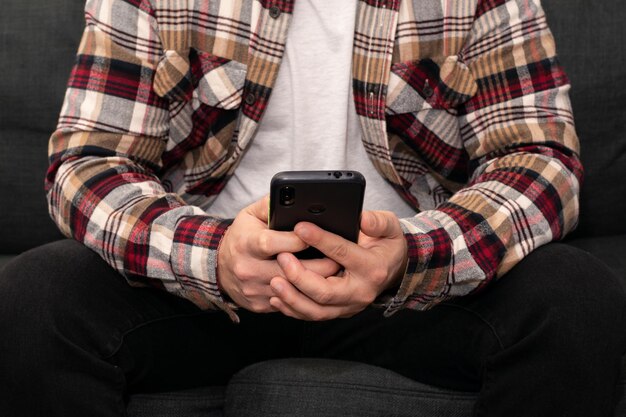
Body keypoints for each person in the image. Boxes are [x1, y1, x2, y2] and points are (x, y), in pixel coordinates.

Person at [1, 0, 625, 415]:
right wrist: (211, 255)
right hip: (205, 294)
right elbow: (88, 164)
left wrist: (413, 254)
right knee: (35, 295)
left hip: (412, 293)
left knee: (575, 296)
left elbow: (541, 159)